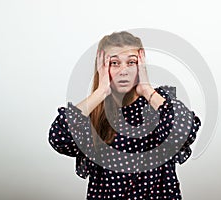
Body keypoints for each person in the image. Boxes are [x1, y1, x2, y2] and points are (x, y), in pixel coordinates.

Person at [48, 31, 201, 199]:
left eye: (131, 62)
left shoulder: (158, 104)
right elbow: (59, 138)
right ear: (102, 67)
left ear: (141, 66)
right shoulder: (95, 114)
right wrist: (100, 92)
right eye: (115, 63)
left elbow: (184, 131)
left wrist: (146, 89)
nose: (123, 71)